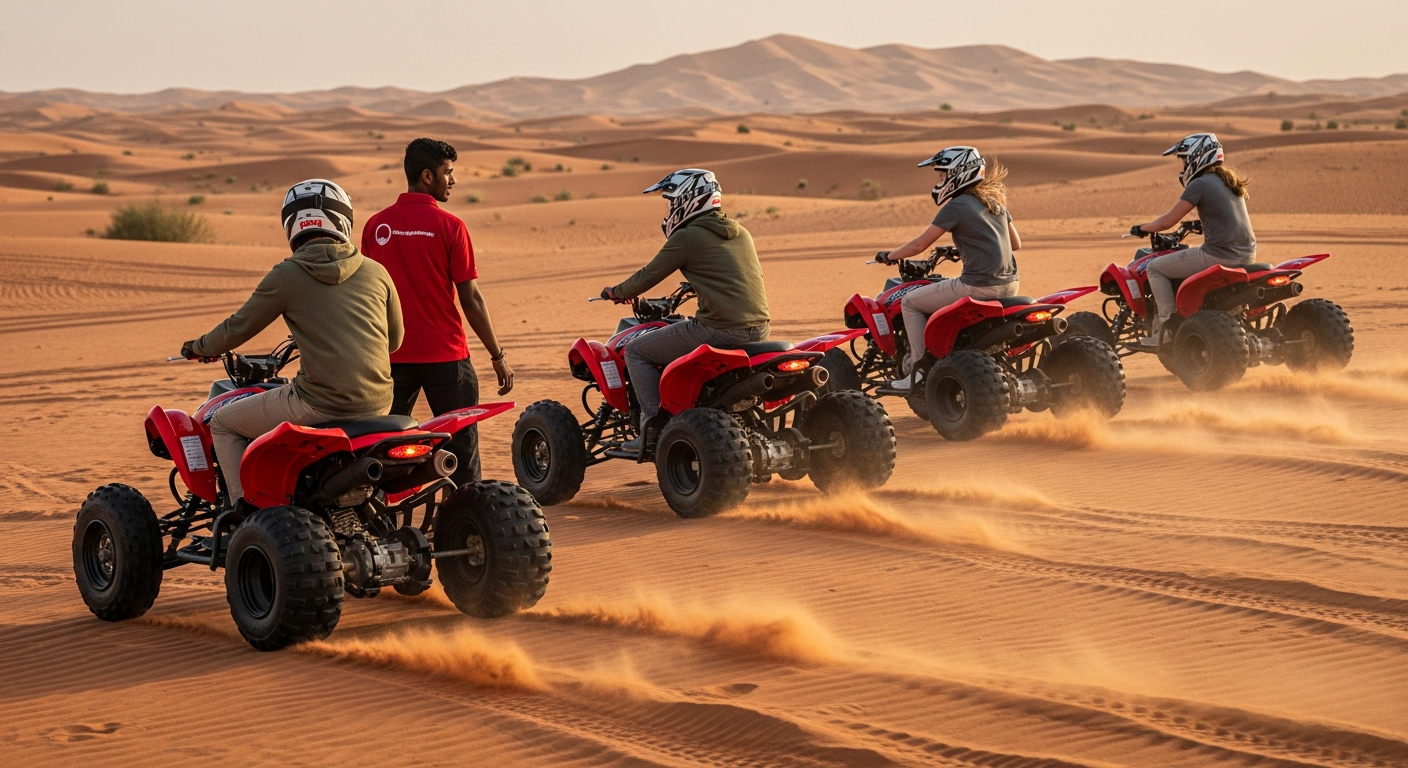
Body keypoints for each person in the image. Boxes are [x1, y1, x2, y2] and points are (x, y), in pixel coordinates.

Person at [183, 179, 403, 506]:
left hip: (320, 402)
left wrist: (199, 346)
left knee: (224, 422)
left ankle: (245, 515)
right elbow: (395, 341)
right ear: (343, 219)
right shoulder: (376, 271)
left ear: (292, 224)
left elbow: (238, 328)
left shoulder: (288, 274)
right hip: (379, 403)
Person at [362, 138, 513, 486]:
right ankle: (470, 528)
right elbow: (471, 299)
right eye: (449, 173)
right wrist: (497, 354)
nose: (453, 180)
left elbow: (365, 297)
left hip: (390, 359)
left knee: (379, 449)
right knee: (462, 453)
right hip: (446, 359)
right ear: (428, 176)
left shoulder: (376, 226)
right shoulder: (451, 226)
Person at [601, 169, 770, 452]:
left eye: (671, 202)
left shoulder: (688, 237)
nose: (669, 210)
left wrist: (617, 292)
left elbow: (648, 275)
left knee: (636, 352)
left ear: (688, 199)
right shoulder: (741, 233)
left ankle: (654, 427)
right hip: (759, 330)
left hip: (718, 329)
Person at [877, 146, 1022, 390]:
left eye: (943, 175)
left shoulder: (956, 207)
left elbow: (920, 244)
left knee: (910, 302)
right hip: (1010, 285)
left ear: (959, 174)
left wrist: (890, 255)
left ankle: (918, 368)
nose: (940, 181)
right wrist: (967, 247)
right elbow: (1015, 244)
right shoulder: (995, 203)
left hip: (978, 286)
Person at [1129, 133, 1256, 347]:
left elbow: (1167, 222)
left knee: (1155, 268)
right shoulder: (1227, 180)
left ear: (1197, 156)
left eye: (1184, 159)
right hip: (1247, 256)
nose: (1184, 165)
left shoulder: (1200, 183)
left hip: (1219, 256)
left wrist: (1142, 228)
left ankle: (1165, 328)